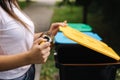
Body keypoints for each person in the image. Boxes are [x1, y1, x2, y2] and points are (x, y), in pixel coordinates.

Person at [0, 0, 67, 80]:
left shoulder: (9, 2)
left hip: (28, 71)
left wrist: (49, 34)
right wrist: (28, 58)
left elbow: (18, 38)